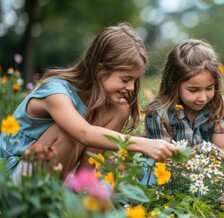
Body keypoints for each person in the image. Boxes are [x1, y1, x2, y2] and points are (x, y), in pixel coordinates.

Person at [0, 23, 178, 180]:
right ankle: (44, 210)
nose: (131, 87)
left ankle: (74, 195)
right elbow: (83, 133)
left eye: (134, 80)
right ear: (100, 69)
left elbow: (90, 150)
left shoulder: (111, 106)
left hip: (43, 173)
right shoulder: (56, 92)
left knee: (121, 108)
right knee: (68, 131)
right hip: (10, 177)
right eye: (125, 79)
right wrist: (141, 144)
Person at [141, 39, 224, 184]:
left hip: (201, 176)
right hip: (163, 175)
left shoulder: (215, 108)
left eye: (209, 88)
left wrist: (208, 149)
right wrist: (196, 153)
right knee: (151, 183)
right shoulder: (159, 114)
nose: (203, 98)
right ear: (174, 84)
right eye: (193, 90)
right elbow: (162, 162)